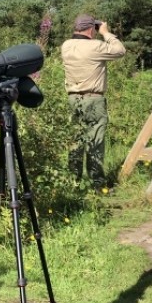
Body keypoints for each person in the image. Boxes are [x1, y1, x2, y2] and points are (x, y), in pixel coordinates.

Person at [61, 14, 126, 189]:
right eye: (95, 28)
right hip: (94, 99)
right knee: (95, 141)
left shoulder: (66, 46)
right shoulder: (96, 46)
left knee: (75, 141)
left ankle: (73, 182)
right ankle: (97, 184)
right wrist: (106, 33)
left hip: (73, 98)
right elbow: (120, 50)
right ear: (91, 29)